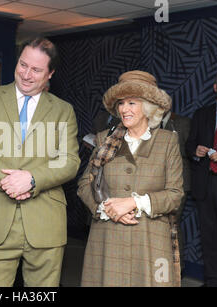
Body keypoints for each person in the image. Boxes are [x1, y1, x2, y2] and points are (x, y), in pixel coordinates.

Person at [0, 37, 80, 287]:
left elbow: (69, 161)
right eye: (23, 65)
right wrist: (7, 181)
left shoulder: (63, 110)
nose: (26, 74)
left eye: (36, 70)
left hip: (45, 222)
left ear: (50, 74)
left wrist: (32, 179)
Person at [77, 70, 184, 287]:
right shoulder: (103, 139)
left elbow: (175, 195)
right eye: (121, 103)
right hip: (107, 239)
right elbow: (84, 184)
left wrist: (134, 202)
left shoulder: (167, 141)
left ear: (148, 107)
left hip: (150, 241)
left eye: (132, 103)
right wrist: (106, 208)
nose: (124, 109)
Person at [185, 68, 217, 287]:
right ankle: (213, 281)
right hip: (205, 186)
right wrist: (195, 151)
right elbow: (189, 145)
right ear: (215, 87)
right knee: (209, 240)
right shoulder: (201, 113)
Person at [160, 110, 191, 271]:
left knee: (172, 223)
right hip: (156, 183)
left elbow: (190, 151)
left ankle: (177, 268)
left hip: (178, 182)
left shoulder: (182, 122)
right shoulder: (149, 122)